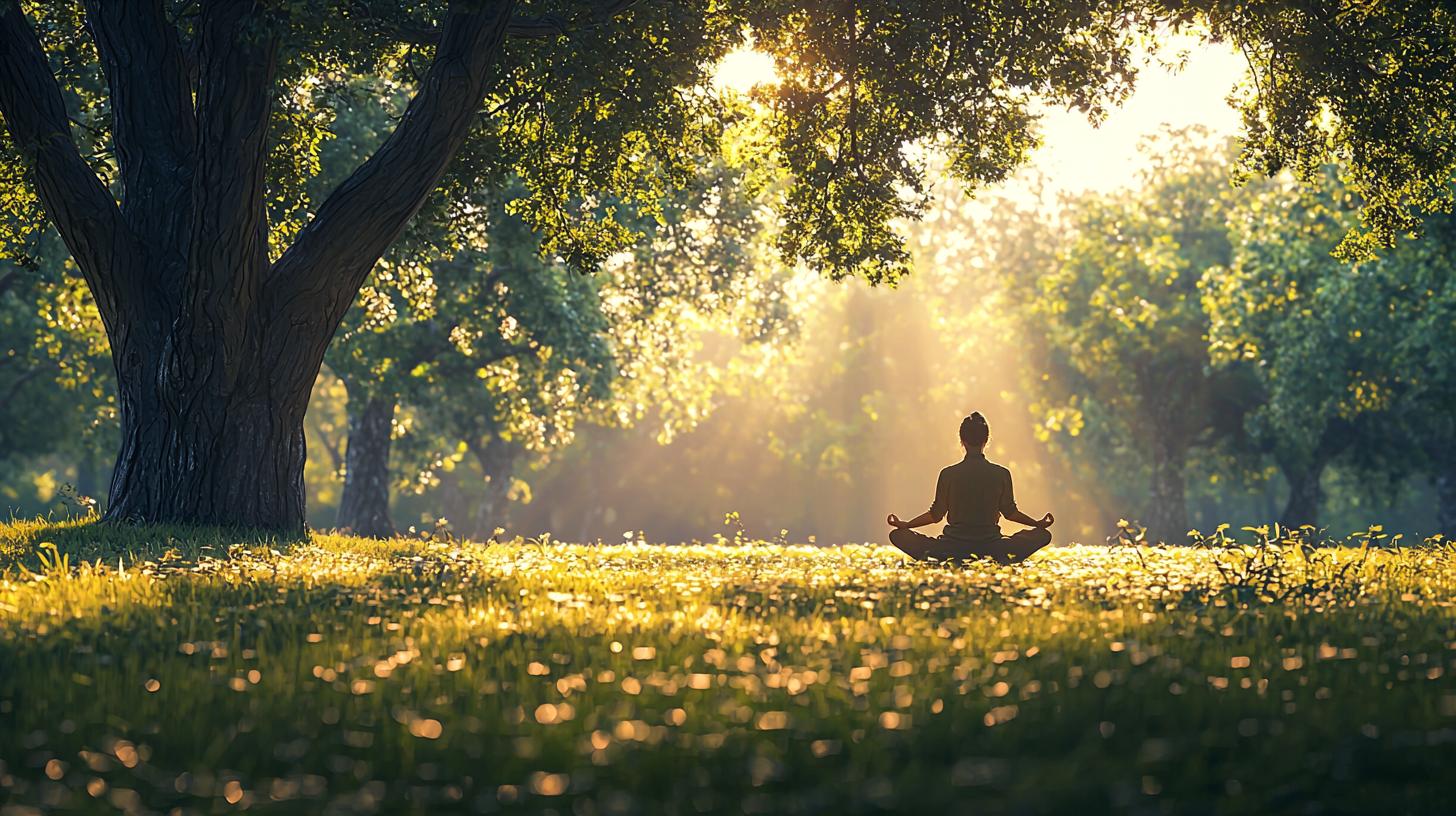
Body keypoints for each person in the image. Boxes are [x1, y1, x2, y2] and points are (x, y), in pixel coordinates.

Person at [886, 412, 1054, 565]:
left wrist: (906, 525)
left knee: (897, 535)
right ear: (986, 440)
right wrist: (1037, 524)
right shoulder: (1001, 473)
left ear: (962, 441)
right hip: (992, 547)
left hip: (951, 548)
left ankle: (950, 557)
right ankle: (995, 558)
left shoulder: (948, 474)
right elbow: (1010, 513)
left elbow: (935, 515)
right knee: (1043, 535)